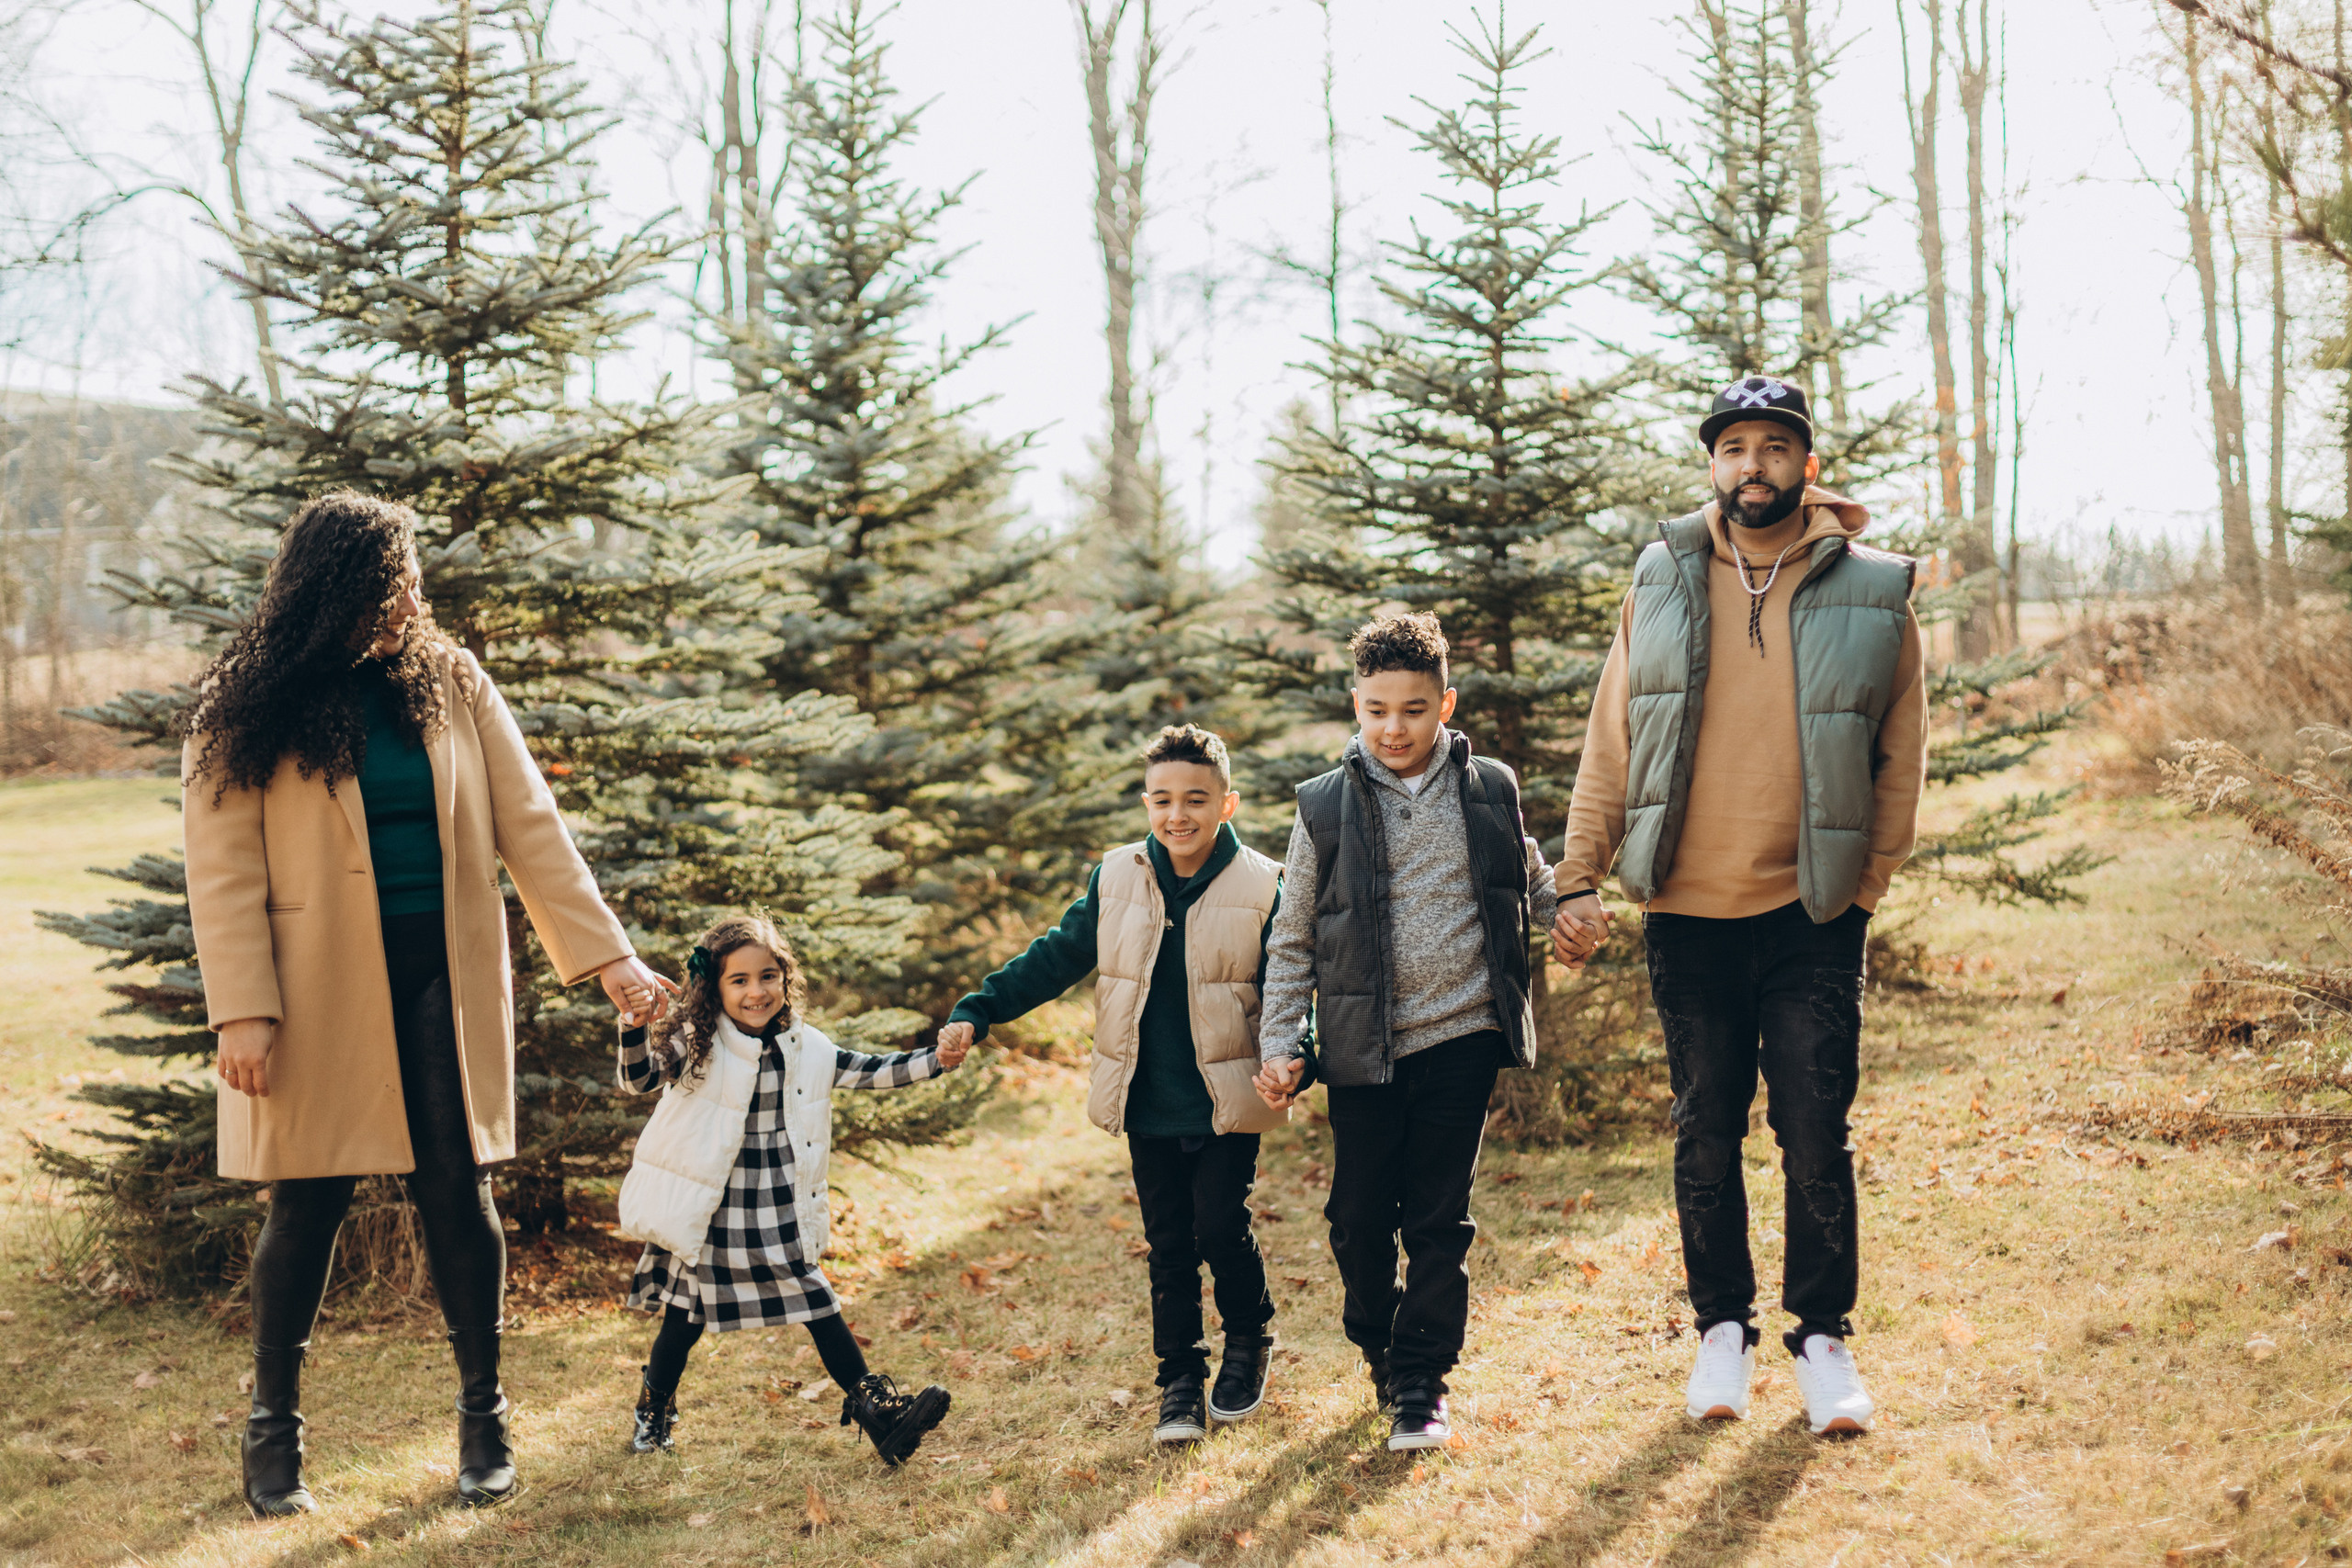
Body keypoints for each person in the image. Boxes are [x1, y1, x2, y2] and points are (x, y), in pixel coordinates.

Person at [182, 491, 673, 1517]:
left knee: (459, 1190)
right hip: (308, 988)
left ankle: (483, 1419)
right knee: (305, 1201)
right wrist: (242, 1011)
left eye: (412, 577)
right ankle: (273, 1433)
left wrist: (611, 960)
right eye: (388, 580)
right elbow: (220, 870)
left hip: (439, 980)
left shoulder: (448, 680)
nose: (409, 597)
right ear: (333, 590)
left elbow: (529, 826)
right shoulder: (243, 701)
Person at [1551, 374, 1928, 1437]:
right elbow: (1611, 737)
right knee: (1703, 1131)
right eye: (1732, 449)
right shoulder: (1662, 574)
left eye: (1772, 448)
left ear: (1806, 465)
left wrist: (1864, 885)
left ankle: (1821, 1338)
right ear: (1711, 464)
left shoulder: (1874, 587)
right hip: (1684, 909)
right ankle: (1722, 1331)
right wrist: (1579, 872)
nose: (1750, 466)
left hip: (1811, 913)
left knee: (1815, 1130)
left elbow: (1901, 756)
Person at [1252, 613, 1559, 1452]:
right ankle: (1382, 1343)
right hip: (1362, 1048)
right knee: (1356, 1218)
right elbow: (1292, 936)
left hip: (1462, 1035)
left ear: (1445, 705)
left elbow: (1530, 878)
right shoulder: (1322, 806)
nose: (1395, 727)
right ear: (1356, 704)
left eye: (1414, 709)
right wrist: (1280, 1040)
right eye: (1378, 708)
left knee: (1436, 1217)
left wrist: (1574, 905)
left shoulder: (1490, 787)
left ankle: (1422, 1381)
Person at [938, 725, 1285, 1446]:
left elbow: (1293, 988)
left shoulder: (1264, 882)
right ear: (1145, 803)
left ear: (1228, 803)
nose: (1177, 814)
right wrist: (981, 1007)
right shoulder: (1117, 874)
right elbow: (1057, 954)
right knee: (1168, 1243)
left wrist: (1298, 1056)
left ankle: (1249, 1342)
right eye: (1162, 799)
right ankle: (1180, 1379)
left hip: (1228, 1096)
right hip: (1146, 1097)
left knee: (1221, 1226)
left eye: (1196, 798)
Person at [616, 913, 965, 1466]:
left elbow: (871, 1070)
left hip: (776, 1206)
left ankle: (878, 1414)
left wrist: (936, 1061)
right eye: (740, 980)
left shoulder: (809, 1046)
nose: (757, 991)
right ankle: (653, 1411)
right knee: (683, 1319)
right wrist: (635, 1024)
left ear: (785, 977)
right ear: (715, 987)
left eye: (768, 976)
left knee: (818, 1302)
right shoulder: (699, 1042)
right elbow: (641, 1077)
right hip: (711, 1211)